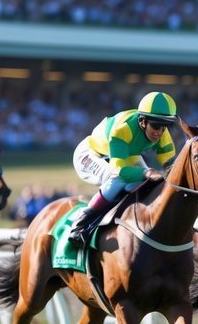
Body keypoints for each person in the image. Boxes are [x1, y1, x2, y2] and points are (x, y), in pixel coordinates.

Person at [65, 91, 179, 248]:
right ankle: (81, 223)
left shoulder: (161, 133)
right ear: (142, 121)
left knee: (147, 183)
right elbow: (120, 170)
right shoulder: (122, 130)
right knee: (118, 179)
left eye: (164, 126)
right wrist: (147, 172)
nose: (159, 132)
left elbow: (171, 168)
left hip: (126, 154)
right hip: (91, 154)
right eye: (156, 126)